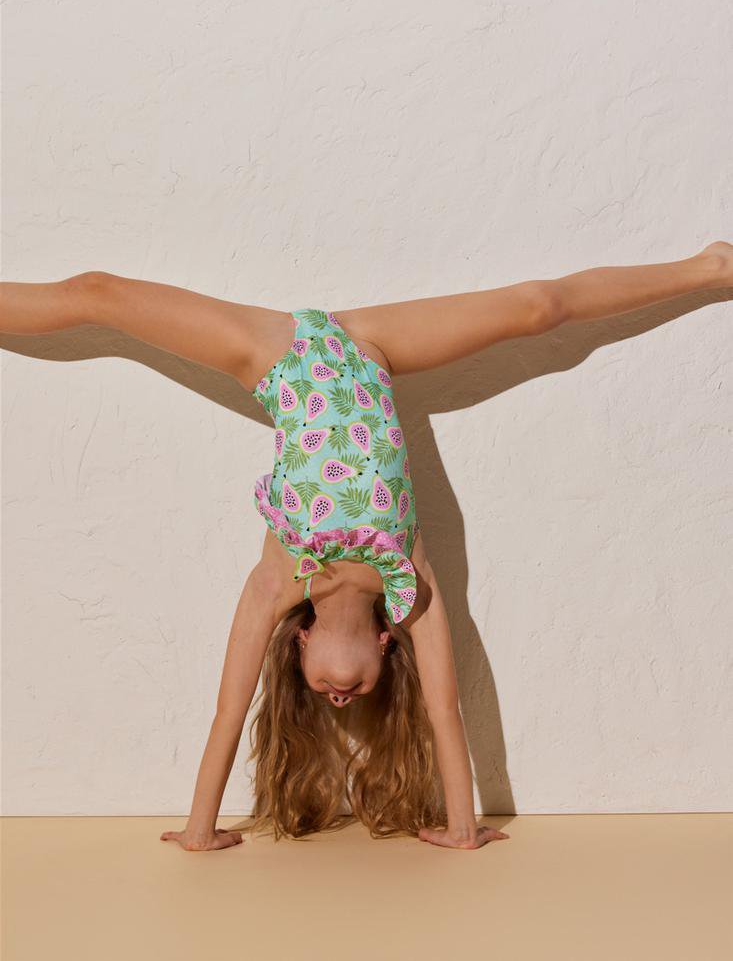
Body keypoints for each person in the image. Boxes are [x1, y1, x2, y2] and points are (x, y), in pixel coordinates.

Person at [1, 241, 730, 852]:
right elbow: (444, 713)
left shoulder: (278, 583)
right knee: (539, 308)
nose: (339, 699)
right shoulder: (410, 592)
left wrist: (199, 831)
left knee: (98, 291)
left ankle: (705, 267)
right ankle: (712, 266)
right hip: (372, 348)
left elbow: (227, 712)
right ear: (386, 650)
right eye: (351, 700)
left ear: (298, 650)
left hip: (276, 355)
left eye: (322, 697)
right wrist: (462, 828)